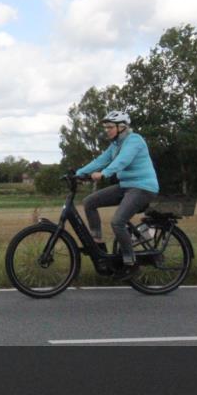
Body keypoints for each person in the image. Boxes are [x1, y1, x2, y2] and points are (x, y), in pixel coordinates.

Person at [75, 111, 159, 273]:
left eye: (110, 127)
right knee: (89, 202)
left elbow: (123, 160)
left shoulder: (135, 140)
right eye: (106, 127)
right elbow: (100, 160)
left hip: (143, 187)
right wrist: (78, 173)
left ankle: (130, 261)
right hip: (126, 186)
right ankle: (98, 243)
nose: (107, 130)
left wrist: (104, 173)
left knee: (117, 222)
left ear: (122, 127)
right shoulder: (115, 145)